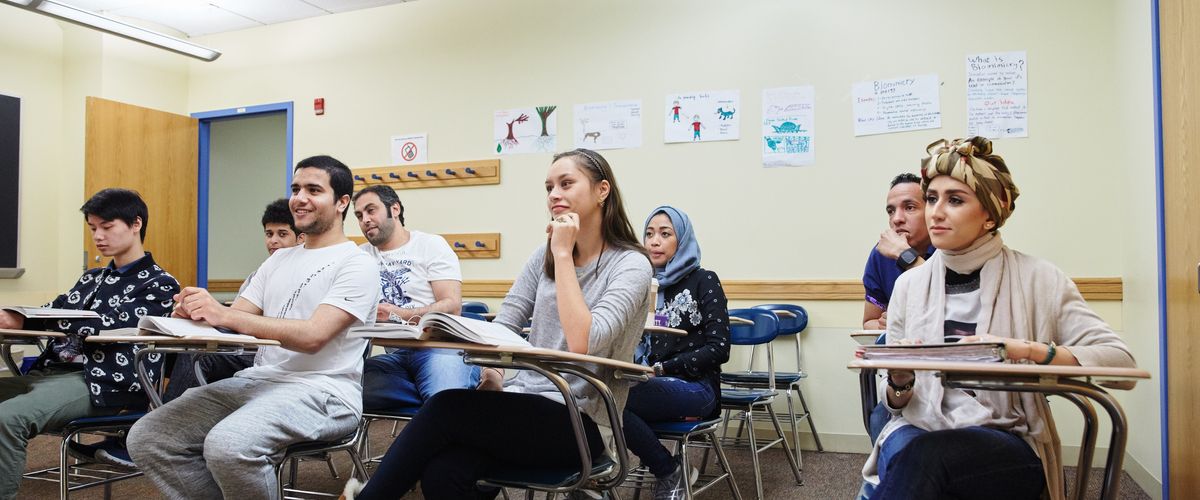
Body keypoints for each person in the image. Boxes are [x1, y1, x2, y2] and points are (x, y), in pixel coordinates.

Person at [345, 148, 652, 499]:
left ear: (602, 191)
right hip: (525, 400)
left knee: (445, 408)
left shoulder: (631, 264)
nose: (554, 195)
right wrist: (492, 377)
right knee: (442, 474)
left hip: (583, 420)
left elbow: (584, 341)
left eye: (566, 183)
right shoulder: (543, 255)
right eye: (549, 186)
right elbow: (506, 322)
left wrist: (563, 253)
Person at [863, 138, 1137, 500]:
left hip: (1005, 437)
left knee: (918, 459)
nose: (936, 212)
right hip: (920, 424)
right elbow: (894, 402)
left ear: (990, 213)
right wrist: (899, 382)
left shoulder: (1040, 279)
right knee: (906, 448)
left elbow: (1120, 359)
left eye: (955, 200)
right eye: (932, 199)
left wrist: (1029, 351)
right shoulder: (910, 285)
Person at [126, 155, 380, 499]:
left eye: (313, 189)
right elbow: (235, 320)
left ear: (342, 202)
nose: (299, 197)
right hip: (258, 382)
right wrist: (194, 315)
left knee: (229, 445)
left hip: (325, 391)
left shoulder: (357, 264)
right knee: (149, 437)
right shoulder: (278, 259)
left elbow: (313, 337)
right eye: (295, 188)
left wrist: (224, 314)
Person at [0, 188, 179, 498]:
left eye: (107, 227)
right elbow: (53, 311)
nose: (98, 236)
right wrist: (15, 317)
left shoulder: (160, 284)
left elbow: (105, 324)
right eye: (93, 228)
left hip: (103, 383)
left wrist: (28, 321)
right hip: (53, 373)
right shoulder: (90, 279)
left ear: (136, 224)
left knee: (9, 419)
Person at [627, 205, 730, 499]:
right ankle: (604, 477)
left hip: (697, 387)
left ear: (681, 240)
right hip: (649, 383)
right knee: (594, 393)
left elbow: (720, 348)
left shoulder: (704, 280)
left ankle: (667, 471)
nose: (654, 241)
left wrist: (663, 369)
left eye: (664, 234)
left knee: (610, 399)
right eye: (648, 234)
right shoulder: (640, 285)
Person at [161, 198, 302, 403]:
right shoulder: (259, 274)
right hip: (243, 345)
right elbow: (233, 318)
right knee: (175, 352)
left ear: (300, 238)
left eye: (282, 234)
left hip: (268, 352)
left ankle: (166, 420)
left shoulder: (303, 275)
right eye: (269, 234)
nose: (273, 241)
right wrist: (198, 315)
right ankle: (165, 414)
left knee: (199, 357)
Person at [351, 184, 476, 411]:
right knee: (346, 389)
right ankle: (436, 401)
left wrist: (398, 314)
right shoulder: (359, 256)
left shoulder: (430, 245)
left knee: (444, 400)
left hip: (439, 348)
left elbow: (452, 306)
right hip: (395, 357)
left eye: (371, 210)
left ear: (395, 209)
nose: (365, 220)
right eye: (359, 216)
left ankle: (444, 401)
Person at [862, 173, 934, 331]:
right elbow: (869, 322)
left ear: (931, 212)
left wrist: (905, 254)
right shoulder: (881, 254)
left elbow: (948, 304)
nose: (897, 219)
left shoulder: (949, 246)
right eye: (891, 211)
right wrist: (887, 325)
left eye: (909, 207)